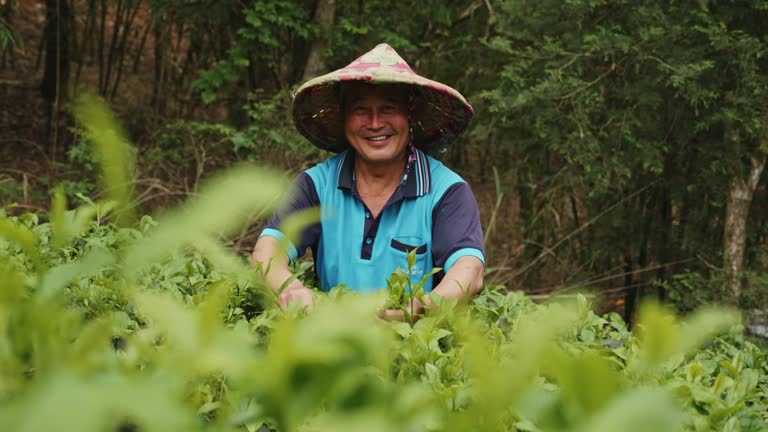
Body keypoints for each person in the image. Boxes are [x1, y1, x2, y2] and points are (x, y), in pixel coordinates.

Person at [251, 43, 484, 319]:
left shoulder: (447, 191)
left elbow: (469, 271)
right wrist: (293, 290)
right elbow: (266, 254)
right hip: (332, 339)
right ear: (344, 117)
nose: (375, 123)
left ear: (410, 115)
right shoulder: (316, 185)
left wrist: (417, 309)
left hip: (413, 342)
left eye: (388, 108)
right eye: (361, 109)